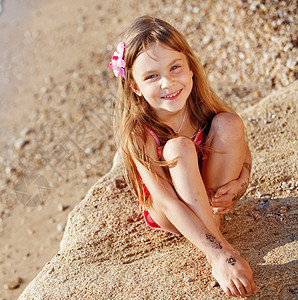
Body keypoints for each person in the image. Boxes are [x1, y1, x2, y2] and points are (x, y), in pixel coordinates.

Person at [110, 16, 257, 297]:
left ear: (190, 68)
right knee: (178, 148)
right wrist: (221, 254)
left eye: (175, 67)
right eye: (151, 76)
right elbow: (165, 200)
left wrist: (240, 183)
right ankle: (214, 246)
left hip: (207, 197)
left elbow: (245, 151)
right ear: (135, 86)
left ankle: (208, 232)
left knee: (230, 123)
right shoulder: (138, 133)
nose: (168, 82)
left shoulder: (201, 105)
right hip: (170, 213)